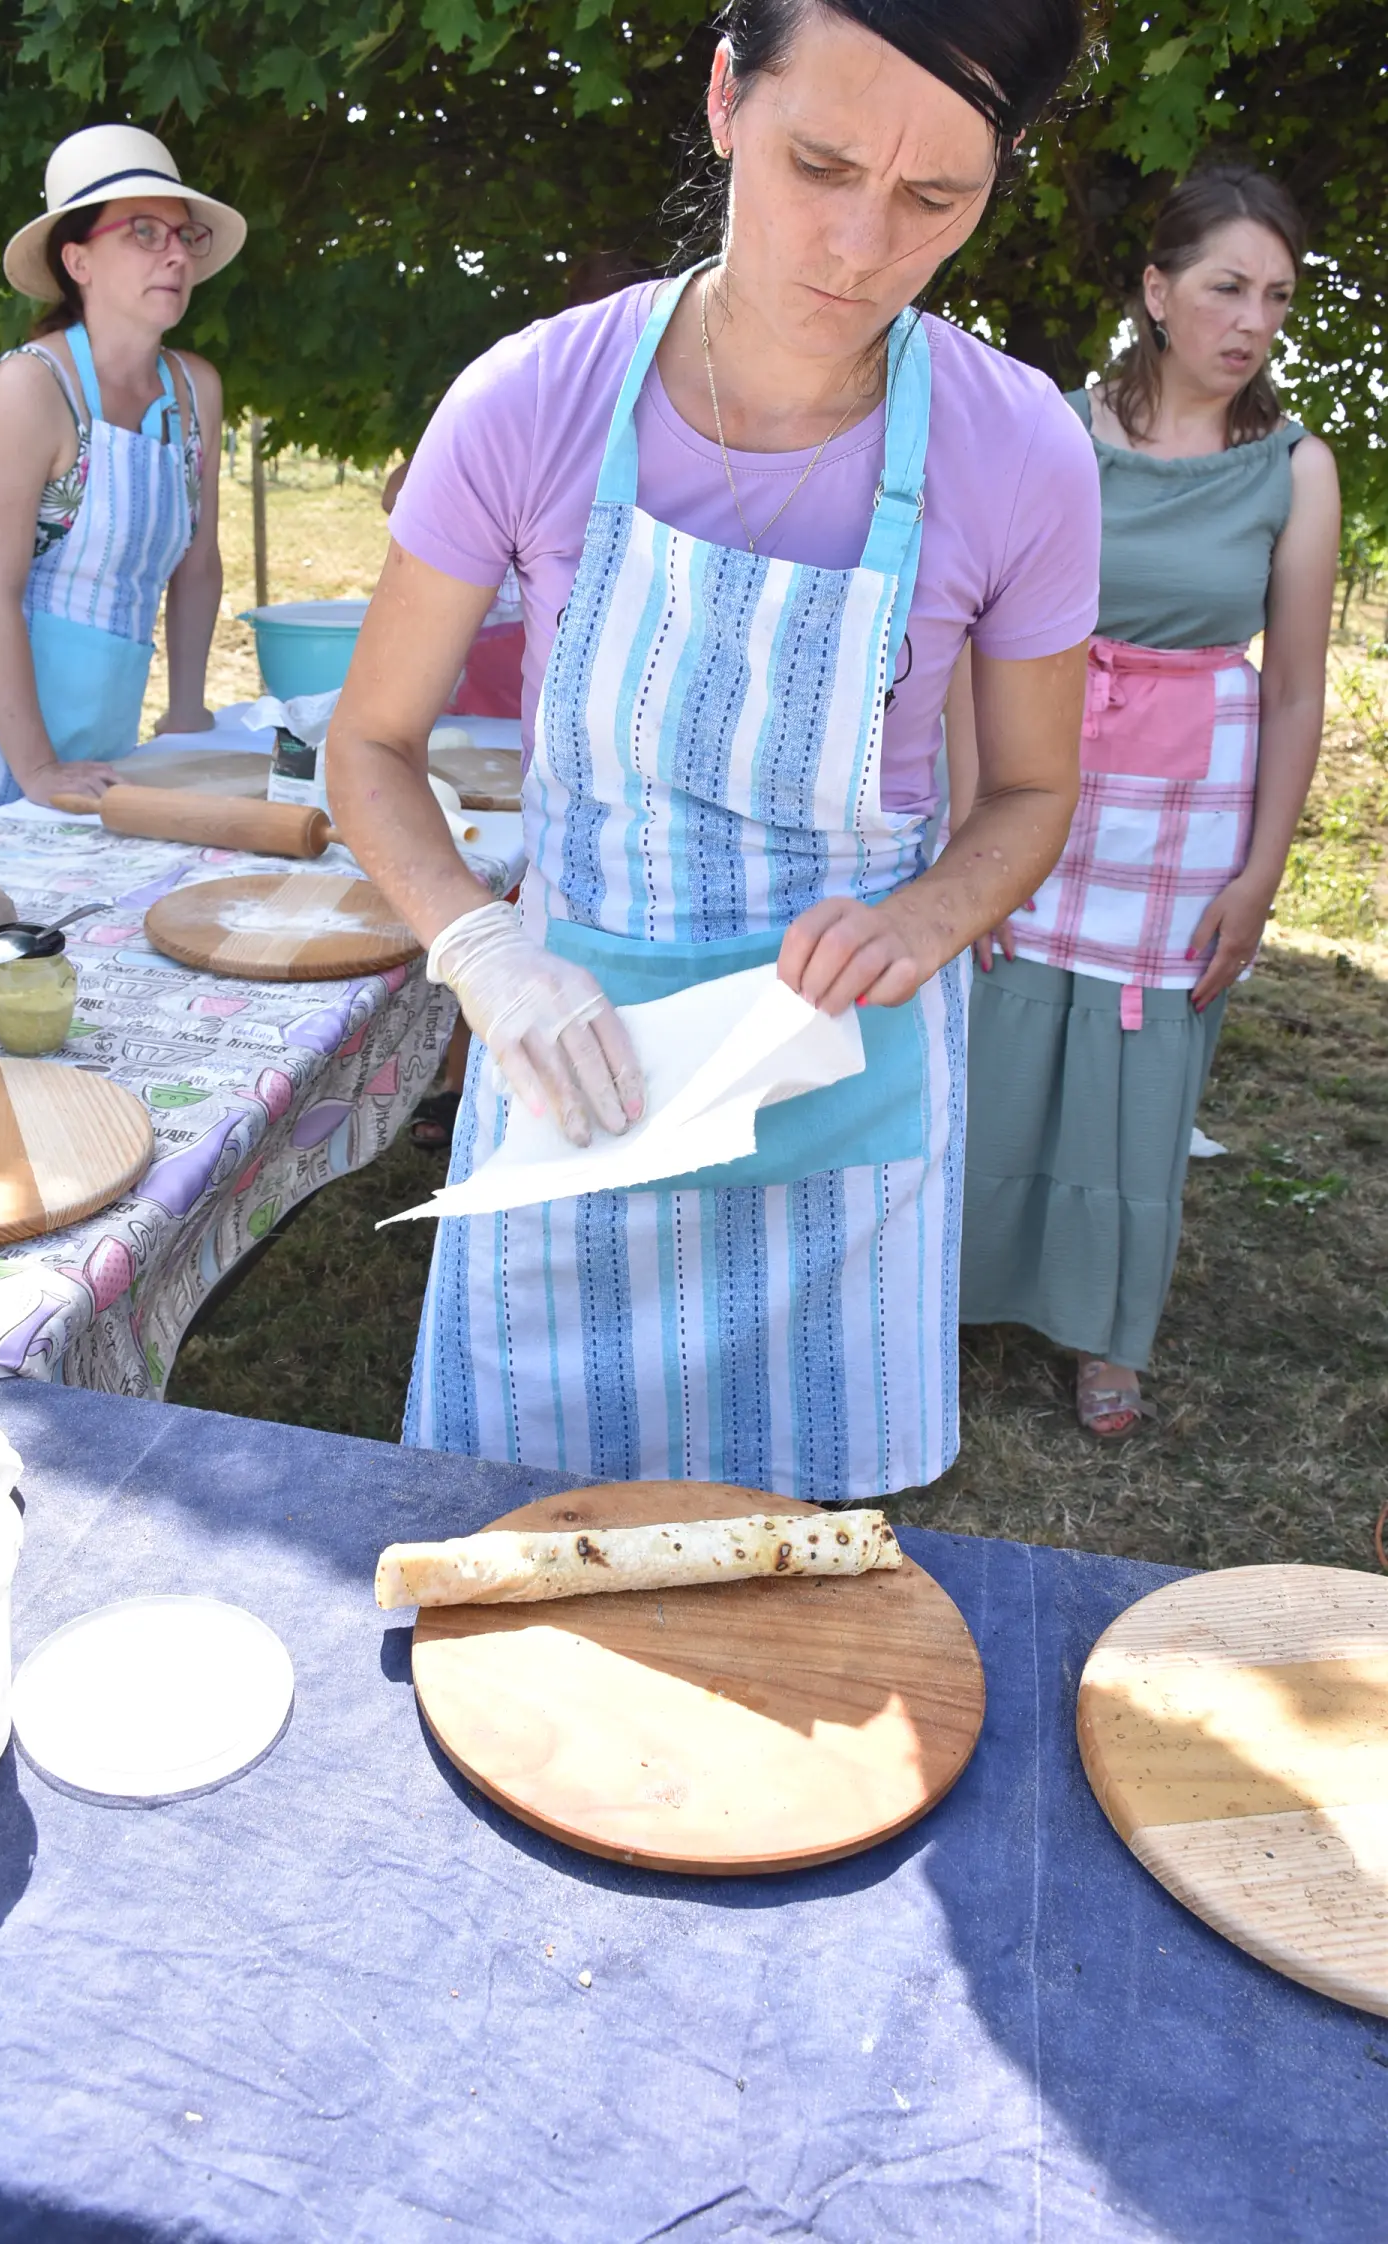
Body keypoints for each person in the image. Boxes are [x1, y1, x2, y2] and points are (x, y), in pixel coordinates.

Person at [331, 0, 1101, 1500]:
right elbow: (370, 742)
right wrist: (484, 951)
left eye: (934, 197)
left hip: (842, 1123)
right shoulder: (532, 399)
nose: (862, 245)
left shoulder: (1021, 453)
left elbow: (1030, 789)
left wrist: (922, 918)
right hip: (573, 1085)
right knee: (527, 1575)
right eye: (820, 162)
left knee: (798, 1618)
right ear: (724, 102)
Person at [959, 165, 1339, 1437]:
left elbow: (1292, 691)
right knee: (1004, 1023)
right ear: (1158, 290)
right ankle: (952, 1288)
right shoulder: (1054, 433)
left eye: (1277, 299)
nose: (1252, 322)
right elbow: (977, 633)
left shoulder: (1295, 469)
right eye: (1228, 287)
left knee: (1138, 1060)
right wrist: (969, 831)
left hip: (1190, 809)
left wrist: (1264, 874)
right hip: (1037, 770)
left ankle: (1107, 1327)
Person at [0, 124, 243, 831]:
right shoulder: (31, 387)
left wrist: (184, 710)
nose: (176, 253)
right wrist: (37, 768)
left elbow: (198, 567)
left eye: (184, 235)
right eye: (145, 232)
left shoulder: (194, 389)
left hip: (105, 721)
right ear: (78, 260)